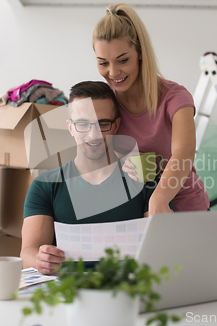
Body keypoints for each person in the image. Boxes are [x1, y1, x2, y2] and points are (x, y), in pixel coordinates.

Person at [20, 81, 171, 275]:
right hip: (67, 293)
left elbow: (162, 253)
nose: (94, 134)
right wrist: (40, 261)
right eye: (83, 124)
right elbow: (27, 252)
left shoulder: (146, 181)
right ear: (70, 127)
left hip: (127, 292)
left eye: (103, 123)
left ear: (116, 125)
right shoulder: (45, 185)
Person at [92, 3, 210, 215]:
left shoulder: (175, 97)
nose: (113, 72)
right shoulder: (105, 102)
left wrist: (159, 200)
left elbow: (183, 154)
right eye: (103, 63)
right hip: (133, 211)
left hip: (184, 209)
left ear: (139, 52)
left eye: (122, 60)